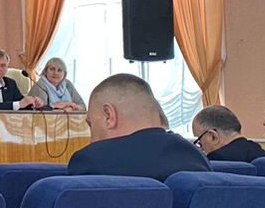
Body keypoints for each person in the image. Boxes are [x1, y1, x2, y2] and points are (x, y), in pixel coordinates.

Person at [67, 73, 210, 180]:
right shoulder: (196, 157)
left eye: (91, 124)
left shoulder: (91, 160)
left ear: (109, 115)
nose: (91, 139)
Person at [191, 104, 265, 162]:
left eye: (200, 142)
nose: (201, 149)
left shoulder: (215, 161)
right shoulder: (263, 155)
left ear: (213, 137)